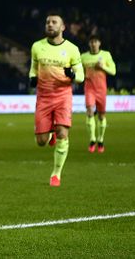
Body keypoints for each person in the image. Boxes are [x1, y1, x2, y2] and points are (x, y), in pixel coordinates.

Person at [29, 14, 84, 186]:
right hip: (44, 97)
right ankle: (49, 132)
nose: (50, 25)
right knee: (41, 142)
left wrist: (73, 75)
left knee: (63, 133)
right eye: (47, 22)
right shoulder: (37, 47)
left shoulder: (72, 49)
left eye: (54, 22)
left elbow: (81, 76)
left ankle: (56, 174)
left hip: (63, 95)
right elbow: (33, 69)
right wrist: (32, 77)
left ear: (62, 27)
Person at [80, 36, 115, 153]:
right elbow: (79, 72)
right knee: (90, 111)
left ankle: (100, 139)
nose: (93, 44)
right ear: (89, 44)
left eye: (95, 42)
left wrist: (103, 66)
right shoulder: (83, 57)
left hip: (101, 89)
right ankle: (92, 139)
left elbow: (113, 71)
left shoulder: (106, 55)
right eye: (91, 42)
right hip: (89, 89)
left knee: (101, 116)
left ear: (99, 43)